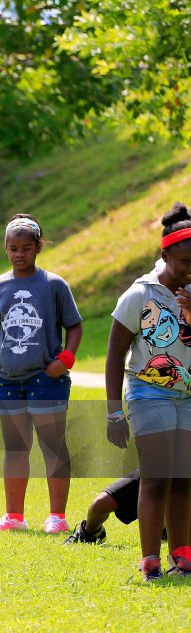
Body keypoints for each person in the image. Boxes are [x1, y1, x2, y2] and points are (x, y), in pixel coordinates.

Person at [0, 214, 82, 535]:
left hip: (45, 378)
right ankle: (14, 516)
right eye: (13, 248)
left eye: (26, 248)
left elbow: (74, 326)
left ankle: (57, 516)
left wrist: (65, 359)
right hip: (7, 379)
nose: (19, 254)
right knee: (15, 448)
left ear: (38, 247)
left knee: (53, 446)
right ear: (5, 249)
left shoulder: (54, 285)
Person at [104, 201, 191, 579]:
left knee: (184, 479)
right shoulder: (140, 295)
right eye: (186, 261)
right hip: (148, 394)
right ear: (165, 253)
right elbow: (114, 354)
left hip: (188, 397)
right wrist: (113, 412)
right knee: (157, 477)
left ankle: (183, 558)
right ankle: (150, 561)